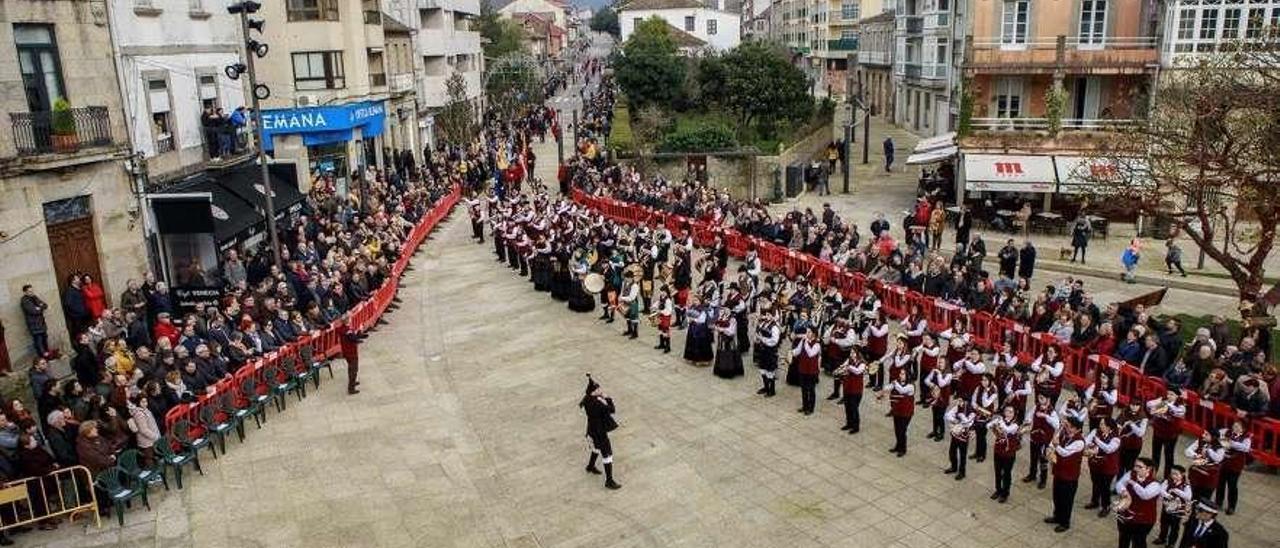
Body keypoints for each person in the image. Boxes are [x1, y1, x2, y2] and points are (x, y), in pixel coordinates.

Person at [580, 375, 621, 490]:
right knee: (607, 454)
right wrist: (607, 398)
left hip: (591, 430)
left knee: (596, 448)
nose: (600, 390)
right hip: (600, 432)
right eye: (598, 389)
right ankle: (609, 481)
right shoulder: (597, 403)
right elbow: (612, 410)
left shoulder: (587, 399)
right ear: (593, 391)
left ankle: (590, 466)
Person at [1046, 416, 1085, 533]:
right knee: (1056, 496)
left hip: (1070, 475)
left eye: (1070, 427)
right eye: (1067, 426)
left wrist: (1056, 445)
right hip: (1059, 471)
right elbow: (1053, 442)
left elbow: (1065, 453)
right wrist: (1051, 447)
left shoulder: (1079, 442)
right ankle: (1056, 516)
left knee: (1066, 500)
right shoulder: (1064, 434)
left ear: (1077, 429)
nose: (1067, 429)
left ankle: (1065, 522)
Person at [1114, 457, 1163, 548]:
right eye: (1135, 466)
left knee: (1138, 542)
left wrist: (1133, 483)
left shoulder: (1155, 484)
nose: (1136, 469)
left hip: (1143, 519)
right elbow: (1119, 484)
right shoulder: (1130, 473)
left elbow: (1145, 495)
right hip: (1126, 515)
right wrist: (1124, 492)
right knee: (1123, 539)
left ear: (1149, 469)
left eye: (1139, 467)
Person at [1084, 418, 1121, 517]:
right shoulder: (1096, 432)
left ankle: (1106, 506)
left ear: (1109, 427)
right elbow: (1086, 441)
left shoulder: (1116, 438)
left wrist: (1097, 441)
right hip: (1095, 464)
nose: (1100, 426)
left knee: (1105, 487)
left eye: (1102, 424)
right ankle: (1094, 501)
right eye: (1100, 424)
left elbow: (1108, 449)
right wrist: (1090, 446)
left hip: (1108, 467)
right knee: (1095, 483)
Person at [1215, 419, 1250, 514]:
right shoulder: (1227, 432)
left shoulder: (1246, 438)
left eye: (1238, 427)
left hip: (1236, 465)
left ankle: (1231, 506)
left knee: (1232, 486)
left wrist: (1232, 443)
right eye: (1234, 426)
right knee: (1220, 484)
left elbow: (1246, 448)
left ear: (1243, 429)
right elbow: (1219, 437)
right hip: (1224, 463)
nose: (1235, 428)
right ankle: (1218, 502)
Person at [989, 405, 1022, 503]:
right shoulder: (1001, 420)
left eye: (1011, 412)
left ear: (1014, 414)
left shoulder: (1016, 424)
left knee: (1007, 474)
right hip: (998, 450)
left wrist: (999, 421)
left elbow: (1008, 430)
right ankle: (998, 490)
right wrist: (993, 423)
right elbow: (989, 426)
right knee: (997, 472)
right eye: (1006, 411)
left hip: (1009, 453)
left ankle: (1005, 493)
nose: (1008, 413)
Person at [1154, 465, 1193, 547]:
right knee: (1164, 523)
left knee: (1175, 527)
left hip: (1178, 510)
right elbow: (1161, 490)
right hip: (1167, 507)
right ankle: (1162, 538)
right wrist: (1167, 495)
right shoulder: (1167, 481)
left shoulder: (1186, 486)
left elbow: (1188, 496)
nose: (1173, 476)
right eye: (1172, 473)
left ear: (1182, 474)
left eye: (1176, 474)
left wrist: (1177, 491)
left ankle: (1171, 543)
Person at [884, 368, 915, 456]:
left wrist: (895, 383)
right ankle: (898, 445)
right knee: (897, 430)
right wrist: (884, 390)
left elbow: (902, 390)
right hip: (897, 410)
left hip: (906, 412)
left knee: (902, 430)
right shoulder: (897, 382)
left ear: (907, 375)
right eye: (900, 374)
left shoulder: (911, 386)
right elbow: (888, 387)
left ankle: (903, 449)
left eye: (903, 374)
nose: (900, 376)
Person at [792, 328, 821, 415]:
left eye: (809, 332)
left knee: (811, 390)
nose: (806, 333)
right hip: (803, 368)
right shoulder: (803, 341)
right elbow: (798, 350)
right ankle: (804, 406)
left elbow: (810, 353)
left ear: (814, 334)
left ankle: (811, 408)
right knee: (803, 389)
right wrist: (791, 353)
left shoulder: (817, 344)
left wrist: (806, 341)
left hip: (812, 371)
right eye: (807, 332)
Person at [944, 399, 975, 480]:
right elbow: (947, 415)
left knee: (962, 455)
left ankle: (962, 472)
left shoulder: (972, 412)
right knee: (952, 452)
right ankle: (953, 467)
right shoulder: (957, 407)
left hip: (963, 437)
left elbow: (968, 423)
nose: (959, 402)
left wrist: (961, 416)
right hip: (955, 434)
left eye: (961, 401)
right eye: (959, 401)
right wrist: (955, 420)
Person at [836, 352, 866, 433]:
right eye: (851, 352)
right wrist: (841, 369)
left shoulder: (862, 364)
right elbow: (843, 366)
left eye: (854, 352)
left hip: (856, 389)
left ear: (858, 353)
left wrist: (849, 367)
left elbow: (858, 371)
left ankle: (856, 427)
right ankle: (849, 423)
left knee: (854, 408)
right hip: (847, 387)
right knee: (847, 407)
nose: (852, 354)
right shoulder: (848, 360)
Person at [753, 311, 781, 397]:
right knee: (762, 369)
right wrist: (757, 338)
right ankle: (765, 387)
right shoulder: (763, 323)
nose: (767, 316)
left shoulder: (775, 327)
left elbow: (774, 341)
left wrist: (762, 339)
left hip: (770, 351)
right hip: (762, 350)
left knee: (770, 371)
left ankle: (771, 390)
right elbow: (758, 332)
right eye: (766, 314)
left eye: (769, 315)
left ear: (773, 316)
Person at [20, 284, 51, 358]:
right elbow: (33, 311)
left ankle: (48, 355)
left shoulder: (35, 297)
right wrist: (39, 308)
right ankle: (42, 357)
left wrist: (39, 307)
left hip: (41, 323)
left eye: (32, 291)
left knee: (45, 340)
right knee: (38, 342)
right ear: (25, 292)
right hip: (34, 325)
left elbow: (45, 305)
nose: (31, 292)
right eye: (29, 291)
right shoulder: (24, 300)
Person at [338, 322, 361, 395]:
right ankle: (351, 388)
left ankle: (352, 382)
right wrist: (359, 331)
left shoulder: (342, 329)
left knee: (351, 368)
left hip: (346, 352)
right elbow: (354, 339)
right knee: (354, 369)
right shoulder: (347, 331)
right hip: (351, 352)